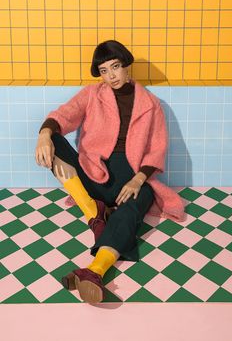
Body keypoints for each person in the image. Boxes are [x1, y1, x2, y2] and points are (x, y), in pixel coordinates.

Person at [35, 40, 184, 304]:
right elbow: (64, 115)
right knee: (54, 141)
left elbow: (157, 147)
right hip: (94, 172)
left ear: (127, 67)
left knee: (135, 205)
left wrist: (139, 179)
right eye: (104, 70)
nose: (111, 76)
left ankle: (94, 271)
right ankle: (94, 215)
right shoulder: (92, 94)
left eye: (115, 67)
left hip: (133, 179)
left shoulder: (150, 104)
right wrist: (45, 134)